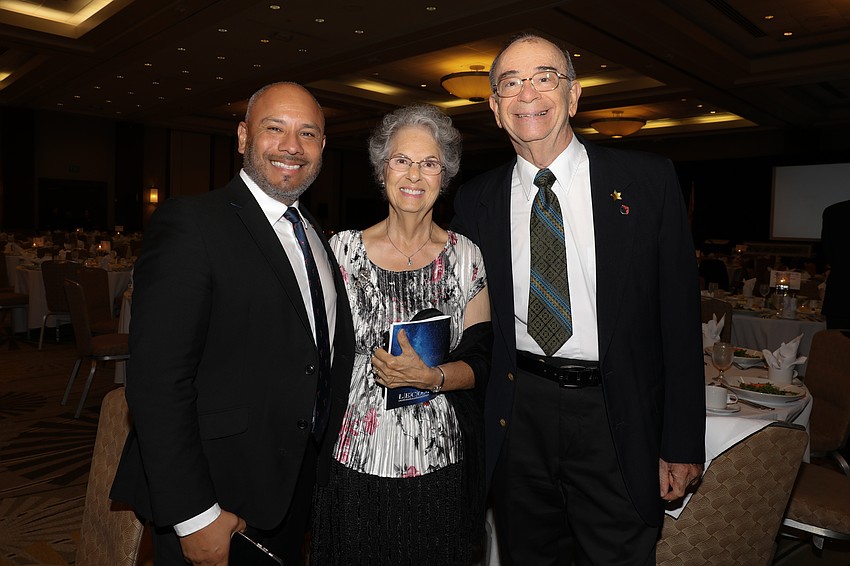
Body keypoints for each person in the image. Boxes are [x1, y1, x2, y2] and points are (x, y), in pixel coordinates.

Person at [451, 34, 705, 565]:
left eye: (544, 78)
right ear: (495, 108)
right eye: (510, 83)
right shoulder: (476, 200)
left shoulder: (647, 181)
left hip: (616, 414)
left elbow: (680, 323)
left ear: (573, 95)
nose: (527, 93)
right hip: (518, 413)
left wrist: (681, 441)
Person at [110, 82, 355, 565]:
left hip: (292, 488)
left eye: (307, 133)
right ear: (243, 137)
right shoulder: (192, 223)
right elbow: (157, 382)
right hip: (218, 497)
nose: (292, 146)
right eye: (274, 128)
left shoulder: (314, 233)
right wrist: (194, 515)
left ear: (323, 146)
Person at [310, 104, 493, 565]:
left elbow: (483, 363)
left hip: (439, 464)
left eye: (429, 163)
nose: (414, 174)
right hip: (352, 460)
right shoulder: (341, 253)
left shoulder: (466, 257)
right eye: (402, 160)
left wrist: (431, 377)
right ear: (381, 169)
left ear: (444, 176)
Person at [821, 199, 850, 329]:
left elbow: (828, 251)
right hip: (839, 294)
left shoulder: (833, 211)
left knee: (835, 340)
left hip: (839, 294)